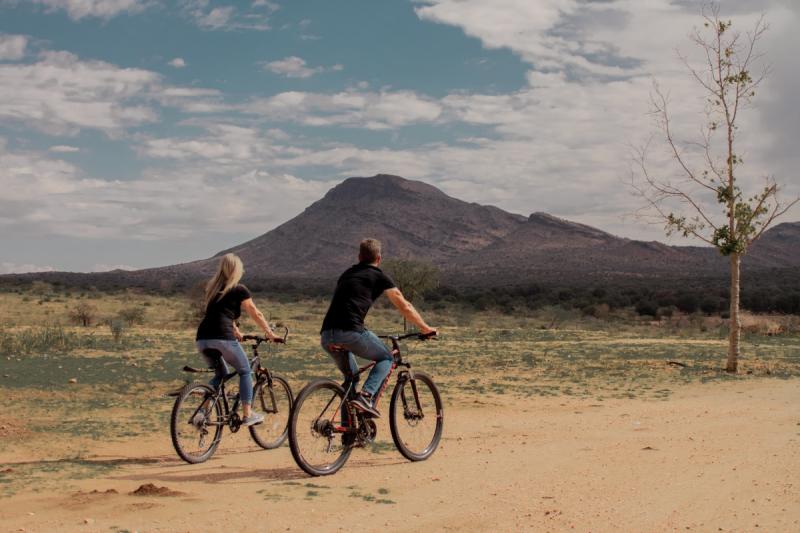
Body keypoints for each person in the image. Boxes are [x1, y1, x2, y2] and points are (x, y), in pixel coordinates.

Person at [320, 238, 436, 418]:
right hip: (351, 332)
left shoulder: (346, 274)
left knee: (352, 378)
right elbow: (404, 306)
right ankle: (366, 396)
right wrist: (425, 328)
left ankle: (348, 433)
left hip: (327, 335)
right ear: (379, 258)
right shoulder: (378, 275)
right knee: (386, 358)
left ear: (359, 257)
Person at [195, 253, 283, 427]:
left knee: (221, 374)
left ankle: (202, 412)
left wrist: (236, 331)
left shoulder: (213, 289)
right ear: (237, 270)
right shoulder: (239, 289)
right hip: (222, 338)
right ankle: (247, 415)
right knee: (245, 371)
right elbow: (254, 312)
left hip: (203, 338)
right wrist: (269, 333)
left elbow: (221, 314)